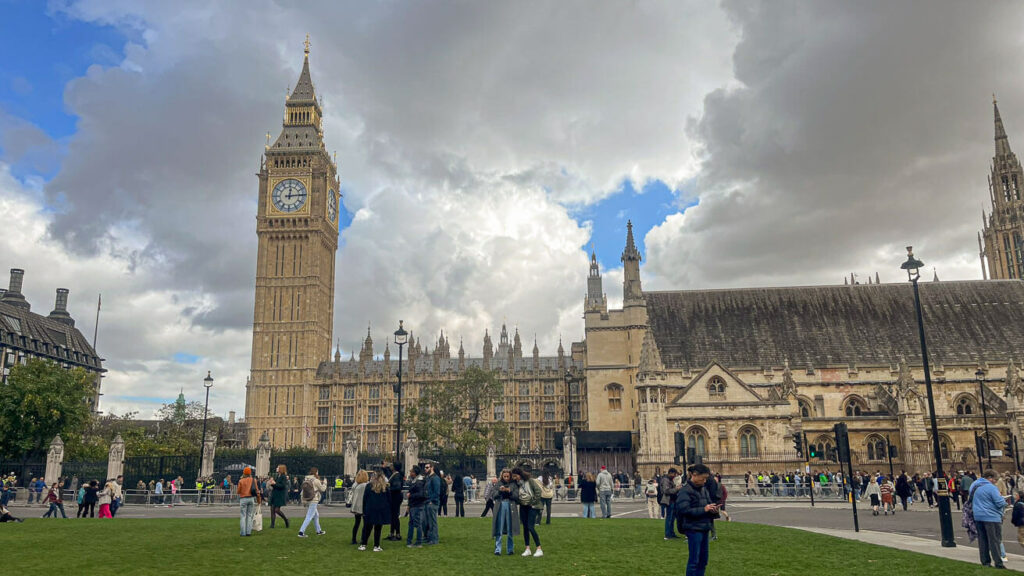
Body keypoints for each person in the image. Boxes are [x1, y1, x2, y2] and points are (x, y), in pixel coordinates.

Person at [677, 464, 719, 576]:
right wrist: (704, 509)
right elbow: (684, 510)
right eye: (703, 478)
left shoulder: (704, 489)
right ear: (694, 475)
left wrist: (712, 509)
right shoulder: (685, 491)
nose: (704, 481)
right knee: (694, 561)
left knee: (703, 561)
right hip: (693, 528)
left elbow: (708, 504)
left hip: (704, 527)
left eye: (706, 478)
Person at [512, 467, 544, 557]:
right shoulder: (517, 484)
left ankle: (539, 548)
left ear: (520, 474)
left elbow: (538, 491)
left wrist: (533, 502)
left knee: (530, 527)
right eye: (513, 476)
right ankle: (527, 548)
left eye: (516, 476)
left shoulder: (530, 481)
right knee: (525, 527)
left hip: (532, 506)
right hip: (523, 506)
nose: (515, 478)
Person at [360, 471, 391, 552]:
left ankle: (363, 544)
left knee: (367, 528)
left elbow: (365, 499)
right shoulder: (385, 487)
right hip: (380, 510)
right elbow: (389, 499)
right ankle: (376, 545)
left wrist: (363, 510)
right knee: (378, 528)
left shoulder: (369, 486)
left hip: (370, 509)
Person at [492, 469, 520, 555]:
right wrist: (500, 491)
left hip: (510, 505)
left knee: (510, 527)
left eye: (508, 476)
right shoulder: (498, 483)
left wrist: (509, 491)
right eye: (505, 476)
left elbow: (516, 496)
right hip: (500, 505)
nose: (506, 478)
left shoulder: (513, 484)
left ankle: (510, 549)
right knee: (499, 527)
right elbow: (494, 495)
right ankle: (498, 549)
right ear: (502, 476)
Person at [297, 467, 326, 538]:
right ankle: (301, 532)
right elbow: (322, 489)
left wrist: (303, 499)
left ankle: (318, 531)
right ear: (316, 472)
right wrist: (325, 483)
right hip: (314, 499)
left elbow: (303, 491)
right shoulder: (316, 480)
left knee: (316, 515)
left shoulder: (306, 479)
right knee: (309, 516)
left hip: (307, 499)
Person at [405, 465, 426, 547]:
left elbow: (421, 494)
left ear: (414, 473)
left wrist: (411, 495)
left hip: (417, 505)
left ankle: (418, 542)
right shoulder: (415, 481)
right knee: (411, 523)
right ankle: (409, 541)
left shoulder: (419, 482)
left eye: (411, 471)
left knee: (417, 524)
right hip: (413, 505)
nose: (410, 473)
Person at [660, 468, 681, 539]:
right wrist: (676, 489)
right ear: (670, 473)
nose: (675, 476)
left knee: (672, 518)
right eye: (674, 474)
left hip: (673, 500)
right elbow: (666, 491)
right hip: (669, 501)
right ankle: (667, 534)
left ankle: (671, 533)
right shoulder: (666, 480)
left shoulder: (670, 480)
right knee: (669, 518)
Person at [350, 470, 369, 545]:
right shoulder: (366, 485)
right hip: (364, 506)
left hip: (356, 505)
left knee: (357, 523)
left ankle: (353, 539)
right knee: (365, 524)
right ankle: (363, 539)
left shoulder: (355, 484)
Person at [269, 464, 290, 529]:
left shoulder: (283, 476)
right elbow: (276, 485)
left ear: (281, 469)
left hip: (279, 495)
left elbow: (282, 486)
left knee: (277, 510)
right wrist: (272, 484)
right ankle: (272, 525)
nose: (276, 468)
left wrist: (275, 484)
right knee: (272, 509)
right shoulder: (278, 476)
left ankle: (286, 520)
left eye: (278, 467)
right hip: (275, 494)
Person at [387, 464, 403, 541]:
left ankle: (397, 534)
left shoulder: (396, 475)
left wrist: (388, 487)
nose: (390, 466)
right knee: (393, 516)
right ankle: (392, 533)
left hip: (395, 497)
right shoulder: (394, 474)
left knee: (395, 516)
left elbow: (397, 487)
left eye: (392, 465)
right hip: (394, 497)